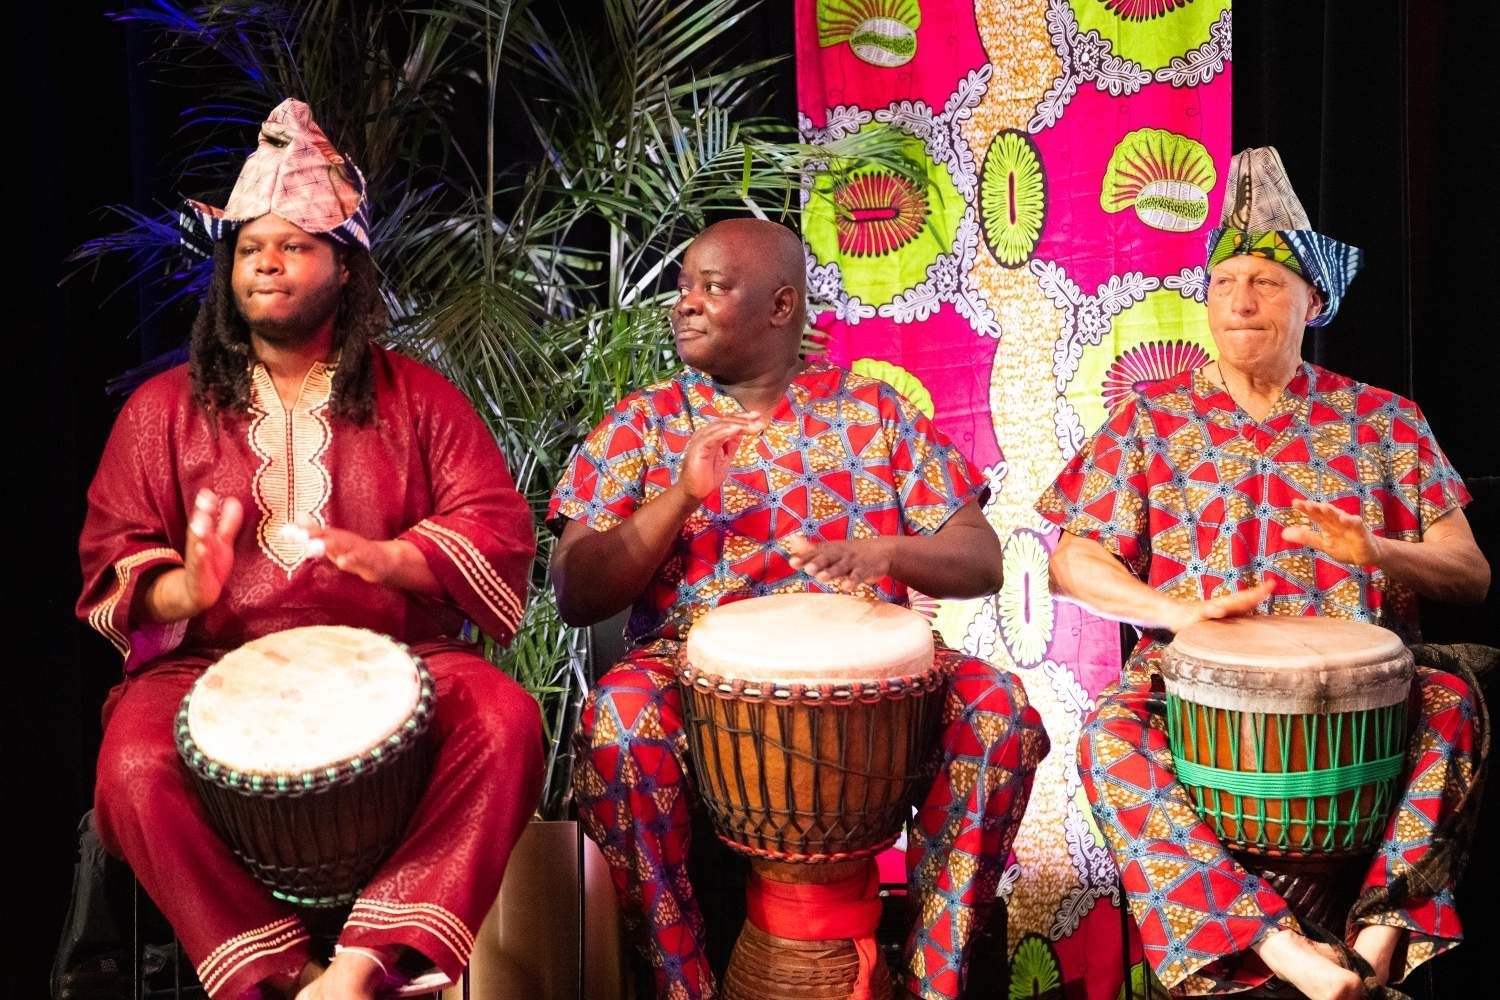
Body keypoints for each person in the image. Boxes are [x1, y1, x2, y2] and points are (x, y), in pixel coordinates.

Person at [78, 99, 543, 1000]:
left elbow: (493, 523)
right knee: (129, 766)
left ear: (345, 268)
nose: (267, 263)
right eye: (251, 248)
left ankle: (364, 966)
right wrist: (189, 585)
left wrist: (393, 559)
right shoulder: (161, 411)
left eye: (294, 246)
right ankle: (284, 977)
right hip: (208, 666)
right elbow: (114, 558)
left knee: (503, 718)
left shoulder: (420, 400)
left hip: (402, 657)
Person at [548, 217, 1048, 1000]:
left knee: (1002, 719)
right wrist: (681, 495)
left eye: (712, 287)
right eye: (683, 288)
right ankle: (683, 985)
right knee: (616, 730)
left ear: (782, 307)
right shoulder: (642, 422)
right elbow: (577, 590)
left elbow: (981, 559)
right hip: (688, 668)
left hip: (877, 673)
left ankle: (933, 976)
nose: (685, 305)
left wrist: (888, 553)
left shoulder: (873, 410)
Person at [1037, 147, 1489, 1000]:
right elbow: (1073, 559)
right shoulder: (1149, 419)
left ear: (1314, 301)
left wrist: (1378, 553)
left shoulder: (1386, 420)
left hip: (1371, 693)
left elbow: (1470, 572)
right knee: (1106, 736)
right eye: (1224, 283)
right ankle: (1280, 950)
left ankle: (1378, 937)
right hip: (1188, 685)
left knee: (1458, 702)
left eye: (1268, 283)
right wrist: (1176, 611)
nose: (1241, 301)